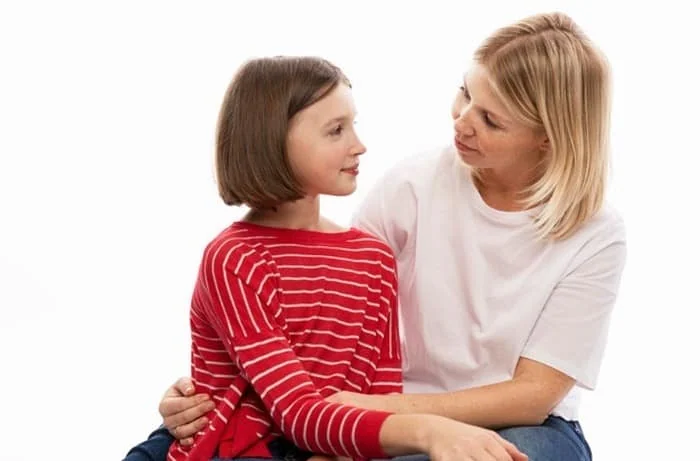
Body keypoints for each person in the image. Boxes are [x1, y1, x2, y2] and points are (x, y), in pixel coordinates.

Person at [129, 11, 626, 461]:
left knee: (525, 452)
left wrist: (389, 418)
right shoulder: (412, 186)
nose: (461, 121)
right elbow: (320, 328)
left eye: (491, 120)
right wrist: (206, 393)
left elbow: (533, 396)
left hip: (501, 422)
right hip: (376, 415)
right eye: (465, 93)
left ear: (547, 137)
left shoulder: (595, 233)